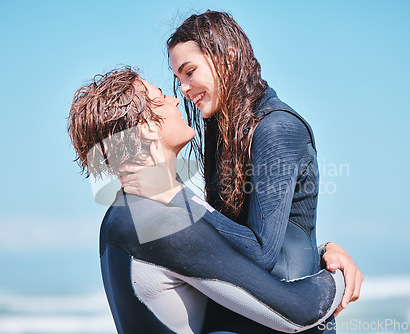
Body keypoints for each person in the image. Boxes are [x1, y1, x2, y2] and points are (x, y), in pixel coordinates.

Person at [119, 10, 363, 333]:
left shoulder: (275, 128)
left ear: (229, 57)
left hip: (292, 322)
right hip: (250, 316)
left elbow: (262, 251)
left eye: (189, 72)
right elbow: (228, 239)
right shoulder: (223, 129)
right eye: (178, 79)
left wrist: (178, 199)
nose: (184, 90)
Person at [68, 67, 345, 334]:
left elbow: (228, 257)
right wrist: (338, 273)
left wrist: (323, 250)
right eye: (161, 96)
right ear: (146, 130)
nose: (175, 99)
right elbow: (297, 312)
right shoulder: (160, 222)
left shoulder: (126, 213)